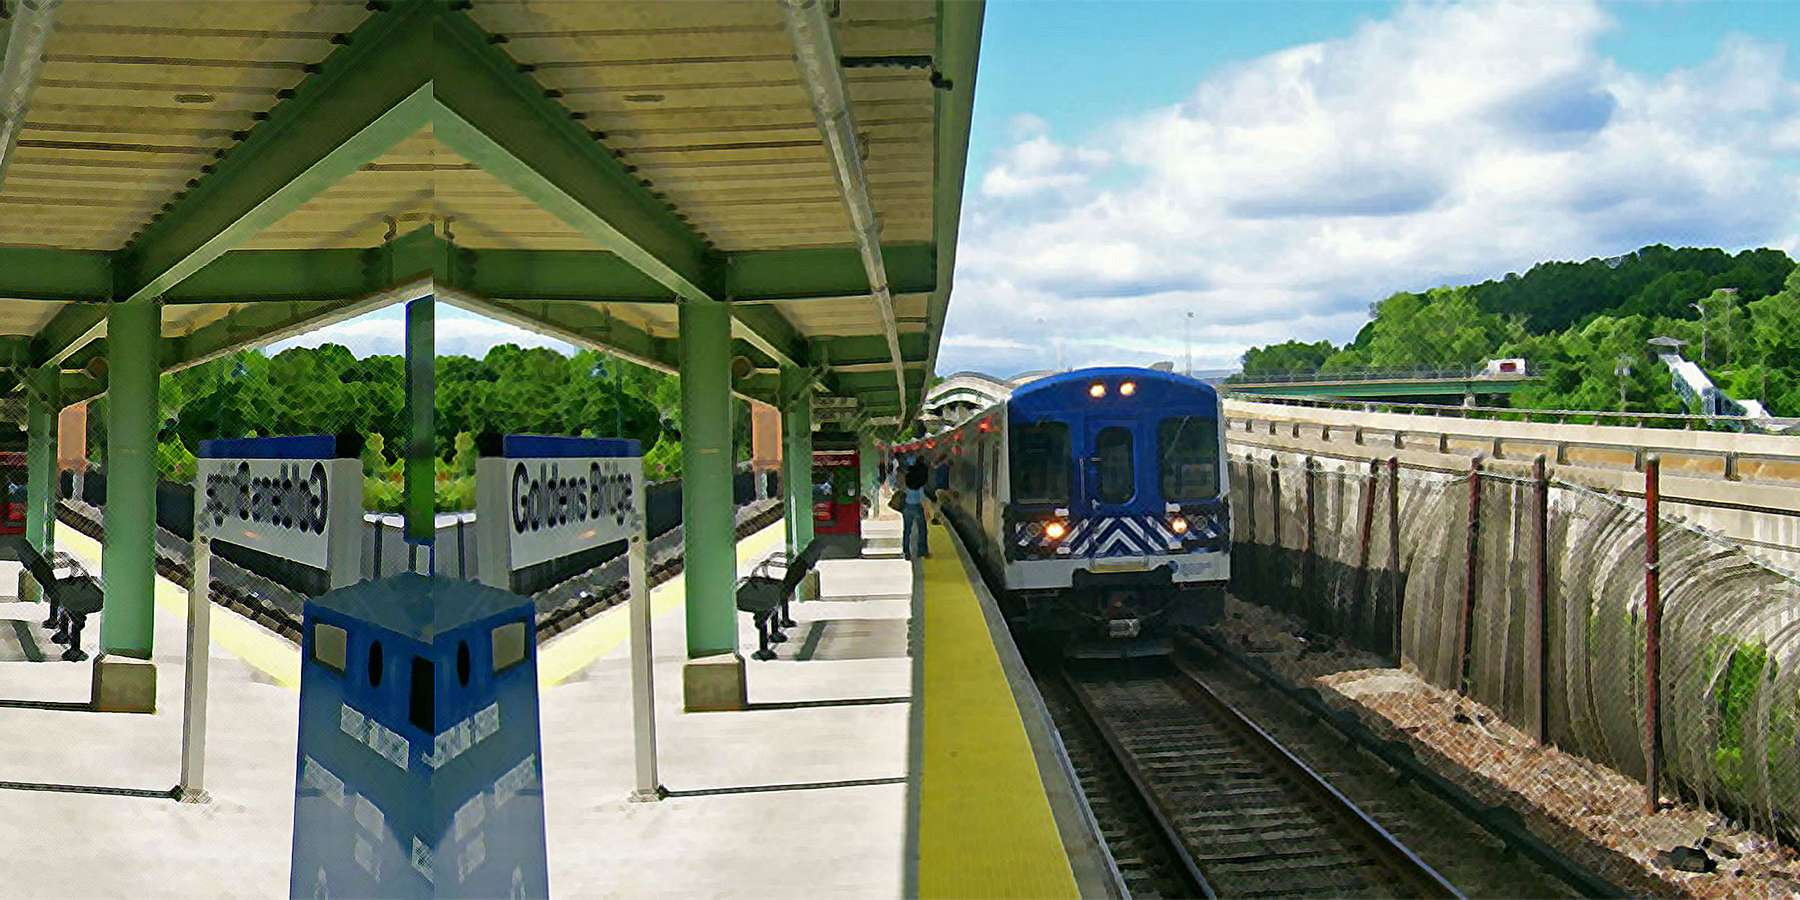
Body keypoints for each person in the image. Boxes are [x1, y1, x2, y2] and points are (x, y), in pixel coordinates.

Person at [902, 456, 930, 560]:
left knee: (907, 530)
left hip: (907, 507)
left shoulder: (906, 479)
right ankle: (922, 551)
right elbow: (922, 499)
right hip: (917, 508)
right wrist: (926, 511)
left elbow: (903, 491)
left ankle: (906, 552)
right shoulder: (919, 482)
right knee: (922, 530)